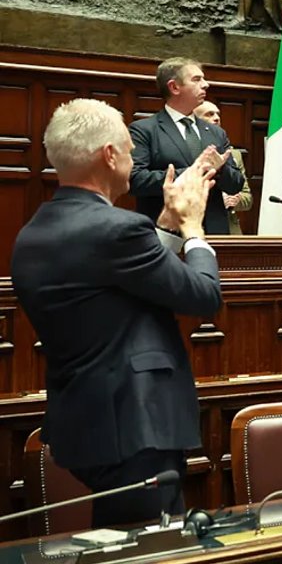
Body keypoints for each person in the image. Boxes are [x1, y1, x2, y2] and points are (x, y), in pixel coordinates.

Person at [11, 99, 222, 527]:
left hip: (87, 419)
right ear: (109, 155)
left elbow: (120, 287)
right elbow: (202, 296)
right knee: (150, 549)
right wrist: (194, 228)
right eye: (128, 150)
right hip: (135, 425)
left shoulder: (34, 231)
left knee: (119, 542)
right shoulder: (117, 229)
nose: (131, 160)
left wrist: (164, 223)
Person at [130, 58, 245, 235]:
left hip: (214, 234)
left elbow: (236, 184)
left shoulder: (216, 133)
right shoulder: (145, 130)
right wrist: (193, 172)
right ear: (174, 87)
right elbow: (136, 180)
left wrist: (219, 170)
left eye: (204, 79)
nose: (206, 85)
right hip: (166, 234)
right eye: (197, 79)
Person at [194, 101, 253, 234]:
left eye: (217, 114)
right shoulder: (189, 150)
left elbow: (247, 198)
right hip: (195, 226)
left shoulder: (234, 155)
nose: (216, 118)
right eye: (209, 114)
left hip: (228, 228)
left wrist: (236, 200)